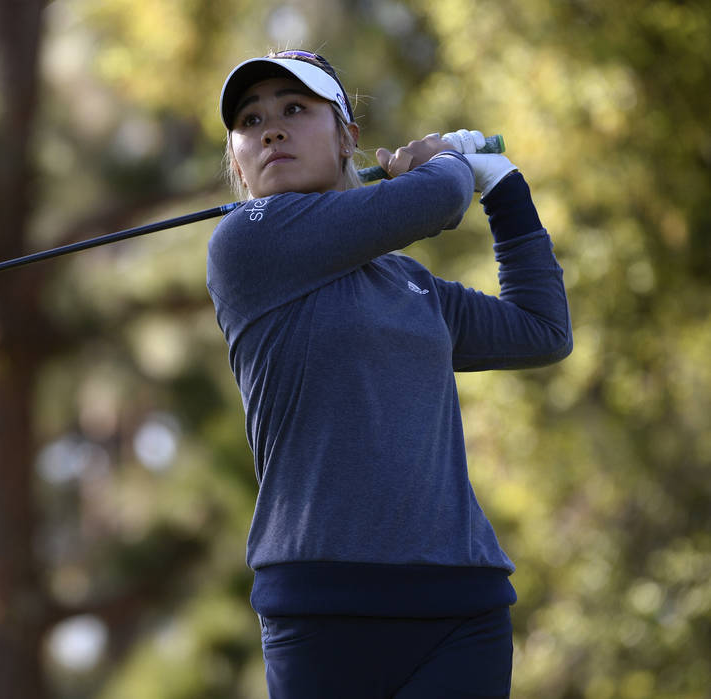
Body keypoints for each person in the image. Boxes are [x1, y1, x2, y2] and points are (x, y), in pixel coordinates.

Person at [205, 50, 572, 698]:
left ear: (348, 137)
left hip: (461, 607)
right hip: (323, 611)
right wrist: (453, 166)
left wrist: (506, 185)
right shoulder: (246, 244)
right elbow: (437, 195)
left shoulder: (406, 282)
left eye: (295, 109)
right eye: (251, 120)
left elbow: (543, 330)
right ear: (237, 160)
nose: (270, 128)